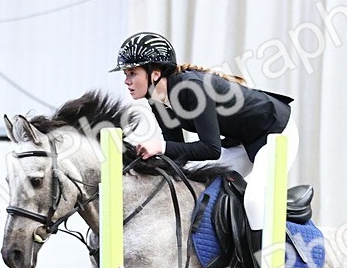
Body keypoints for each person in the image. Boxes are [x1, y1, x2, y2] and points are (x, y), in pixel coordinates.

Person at [113, 31, 299, 233]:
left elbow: (211, 149)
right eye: (125, 74)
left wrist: (159, 147)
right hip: (241, 141)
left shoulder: (193, 88)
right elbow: (179, 154)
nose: (126, 81)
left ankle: (266, 263)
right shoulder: (156, 99)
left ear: (155, 74)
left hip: (276, 132)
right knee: (196, 179)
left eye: (132, 73)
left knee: (254, 201)